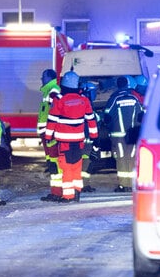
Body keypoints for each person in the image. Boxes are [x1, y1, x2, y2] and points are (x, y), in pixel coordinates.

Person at [43, 71, 98, 203]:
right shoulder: (84, 100)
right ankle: (77, 192)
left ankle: (68, 196)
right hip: (79, 140)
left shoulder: (59, 100)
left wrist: (48, 136)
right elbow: (91, 120)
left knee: (66, 167)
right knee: (76, 166)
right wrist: (94, 136)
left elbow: (52, 120)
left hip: (64, 141)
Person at [104, 76, 145, 192]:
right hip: (132, 134)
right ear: (127, 85)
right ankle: (132, 184)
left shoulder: (114, 99)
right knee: (132, 158)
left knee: (121, 158)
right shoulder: (134, 98)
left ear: (118, 85)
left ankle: (123, 185)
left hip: (118, 135)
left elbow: (107, 116)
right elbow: (141, 115)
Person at [37, 69, 62, 197]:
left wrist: (50, 132)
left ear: (49, 77)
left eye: (43, 76)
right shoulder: (49, 90)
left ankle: (57, 192)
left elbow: (55, 112)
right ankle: (55, 191)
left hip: (50, 132)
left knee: (54, 161)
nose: (41, 79)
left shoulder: (53, 90)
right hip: (47, 132)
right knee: (52, 162)